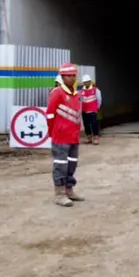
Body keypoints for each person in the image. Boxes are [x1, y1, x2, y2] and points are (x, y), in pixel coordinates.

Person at [46, 63, 84, 207]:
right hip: (60, 137)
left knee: (72, 164)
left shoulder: (76, 94)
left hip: (73, 137)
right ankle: (59, 194)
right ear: (62, 77)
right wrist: (53, 133)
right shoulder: (57, 93)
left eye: (74, 75)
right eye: (69, 76)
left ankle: (69, 190)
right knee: (61, 165)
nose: (72, 78)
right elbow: (50, 115)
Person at [79, 74, 102, 144]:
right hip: (84, 110)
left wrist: (97, 107)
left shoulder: (96, 90)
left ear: (90, 82)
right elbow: (80, 100)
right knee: (86, 124)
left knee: (94, 124)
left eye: (87, 82)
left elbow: (99, 99)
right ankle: (88, 137)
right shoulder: (81, 91)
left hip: (93, 110)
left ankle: (96, 137)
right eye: (84, 82)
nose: (86, 83)